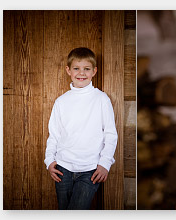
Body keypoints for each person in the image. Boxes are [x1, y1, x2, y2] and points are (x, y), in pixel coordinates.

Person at [45, 47, 118, 210]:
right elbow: (54, 135)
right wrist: (49, 161)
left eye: (87, 69)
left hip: (90, 170)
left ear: (94, 71)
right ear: (68, 70)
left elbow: (111, 134)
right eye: (76, 68)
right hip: (63, 169)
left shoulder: (101, 99)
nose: (81, 73)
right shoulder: (61, 102)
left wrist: (105, 163)